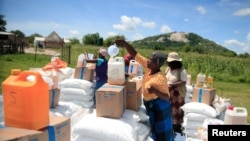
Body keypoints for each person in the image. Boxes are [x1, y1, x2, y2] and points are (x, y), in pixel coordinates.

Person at [115, 39, 173, 141]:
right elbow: (135, 54)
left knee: (162, 133)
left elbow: (167, 97)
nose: (148, 61)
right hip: (151, 104)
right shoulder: (149, 68)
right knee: (154, 129)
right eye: (149, 58)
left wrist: (155, 91)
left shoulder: (160, 78)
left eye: (151, 60)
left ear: (157, 64)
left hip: (160, 106)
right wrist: (124, 42)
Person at [165, 52, 187, 135]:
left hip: (178, 93)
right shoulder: (168, 69)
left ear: (175, 62)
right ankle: (171, 125)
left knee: (177, 110)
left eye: (170, 62)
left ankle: (177, 127)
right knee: (170, 109)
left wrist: (172, 85)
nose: (168, 63)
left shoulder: (181, 70)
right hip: (169, 92)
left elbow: (183, 82)